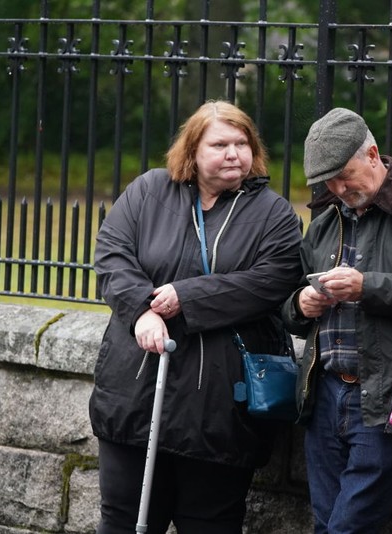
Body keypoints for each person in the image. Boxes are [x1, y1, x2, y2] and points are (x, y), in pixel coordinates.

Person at [90, 100, 303, 533]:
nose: (233, 154)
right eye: (219, 145)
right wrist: (141, 312)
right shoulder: (149, 191)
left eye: (242, 143)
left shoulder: (274, 214)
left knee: (210, 522)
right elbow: (112, 254)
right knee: (124, 520)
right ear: (192, 150)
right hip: (136, 396)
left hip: (218, 409)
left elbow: (273, 279)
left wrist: (185, 297)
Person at [281, 107, 392, 533]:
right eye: (328, 182)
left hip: (388, 394)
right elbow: (288, 309)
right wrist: (301, 304)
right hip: (323, 393)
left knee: (345, 528)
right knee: (325, 525)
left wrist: (366, 287)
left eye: (344, 175)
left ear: (372, 154)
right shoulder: (325, 222)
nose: (337, 188)